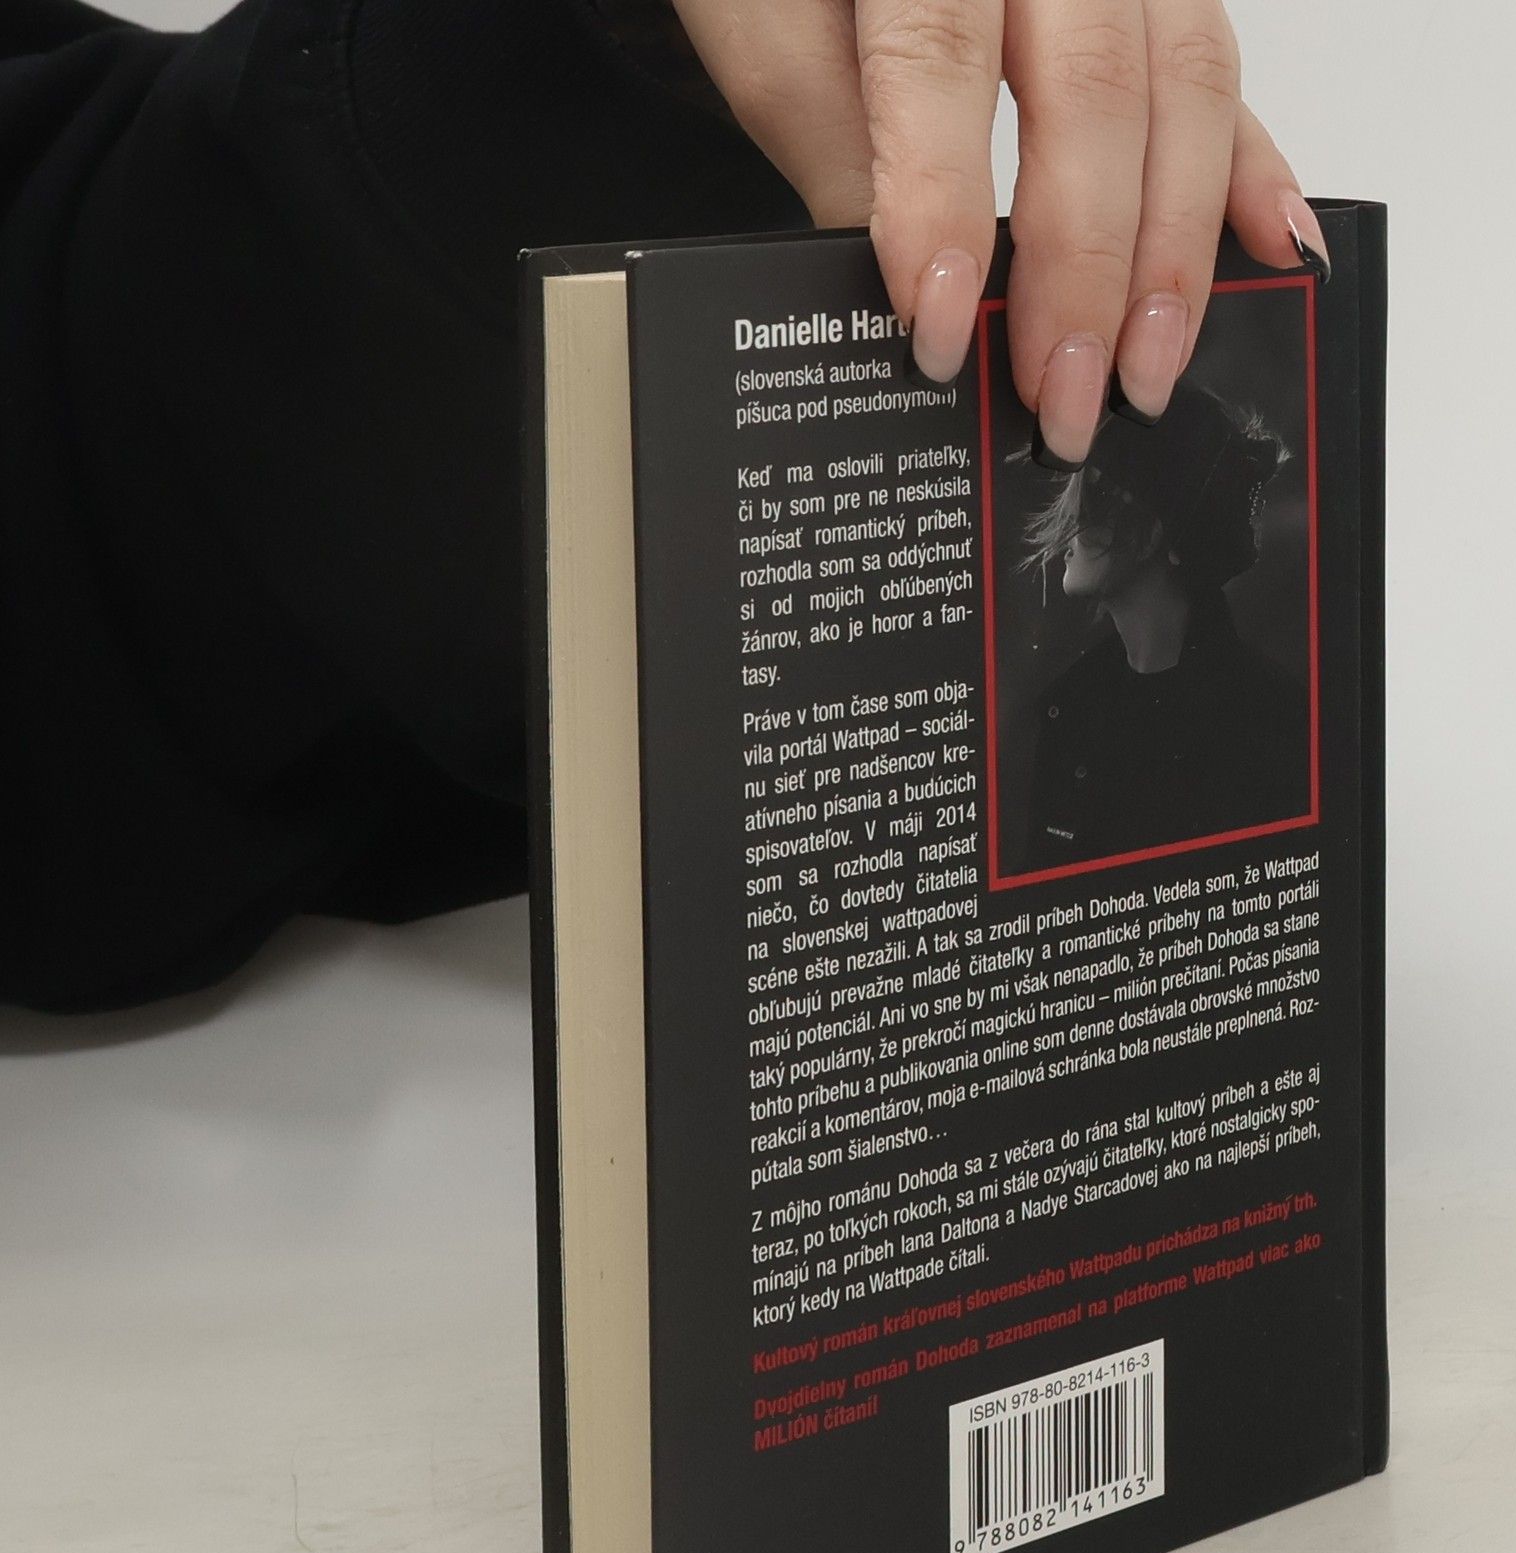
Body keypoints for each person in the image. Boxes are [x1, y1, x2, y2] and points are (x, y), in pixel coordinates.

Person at [0, 0, 1327, 1012]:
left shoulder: (1220, 718)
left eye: (1112, 491)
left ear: (1166, 525)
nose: (1077, 508)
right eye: (1092, 481)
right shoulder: (1059, 700)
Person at [1012, 381, 1308, 873]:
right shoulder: (1070, 707)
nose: (1068, 529)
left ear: (1152, 533)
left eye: (1095, 495)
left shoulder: (1270, 727)